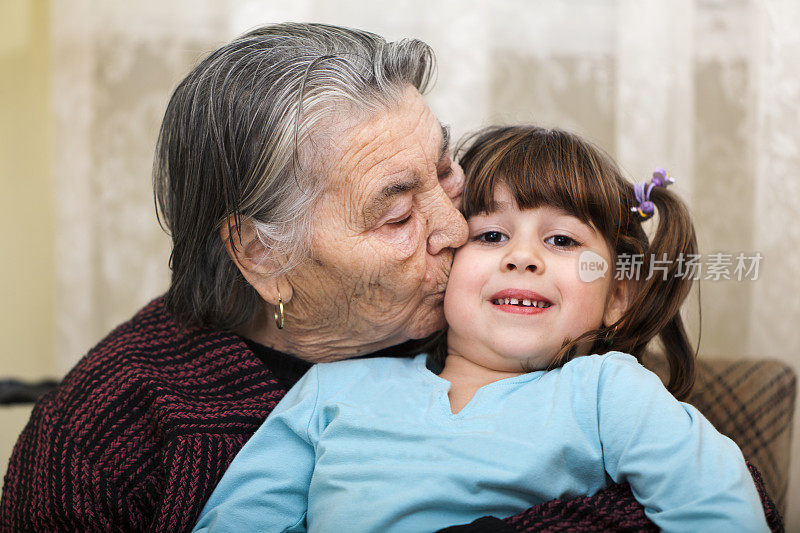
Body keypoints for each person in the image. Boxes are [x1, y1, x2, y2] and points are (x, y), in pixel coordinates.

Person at [0, 23, 468, 531]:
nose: (458, 227)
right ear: (262, 255)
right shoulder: (100, 448)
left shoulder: (499, 315)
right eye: (398, 216)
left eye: (445, 170)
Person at [193, 126, 771, 532]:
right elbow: (240, 519)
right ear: (444, 258)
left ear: (616, 294)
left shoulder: (608, 392)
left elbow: (718, 508)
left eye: (562, 240)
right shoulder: (332, 389)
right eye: (490, 235)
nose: (522, 258)